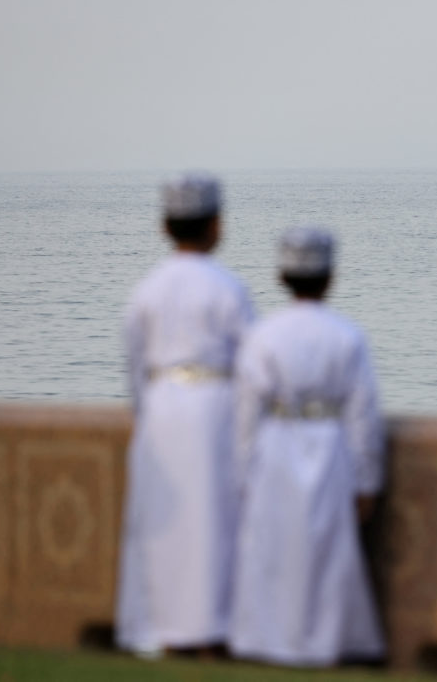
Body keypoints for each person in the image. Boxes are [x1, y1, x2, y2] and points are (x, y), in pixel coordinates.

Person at [229, 226, 386, 667]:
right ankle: (327, 641)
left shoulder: (263, 335)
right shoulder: (347, 335)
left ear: (281, 277)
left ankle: (270, 639)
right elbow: (363, 416)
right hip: (331, 445)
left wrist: (241, 474)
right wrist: (368, 480)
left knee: (274, 548)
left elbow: (245, 415)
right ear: (331, 276)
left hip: (276, 445)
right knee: (329, 551)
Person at [117, 172, 255, 656]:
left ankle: (167, 630)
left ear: (164, 226)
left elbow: (135, 368)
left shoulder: (146, 290)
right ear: (217, 226)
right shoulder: (229, 288)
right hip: (216, 411)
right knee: (217, 525)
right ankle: (216, 632)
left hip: (160, 412)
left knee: (163, 527)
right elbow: (250, 369)